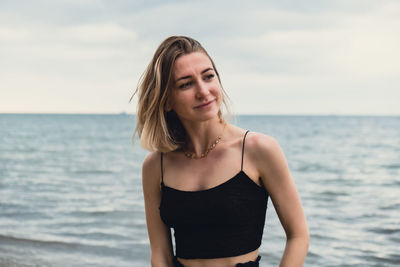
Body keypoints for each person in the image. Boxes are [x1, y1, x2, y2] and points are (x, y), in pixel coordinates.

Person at [133, 36, 309, 267]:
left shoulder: (258, 149)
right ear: (167, 101)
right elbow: (160, 254)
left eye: (208, 76)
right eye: (186, 84)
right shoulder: (156, 166)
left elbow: (298, 237)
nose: (203, 91)